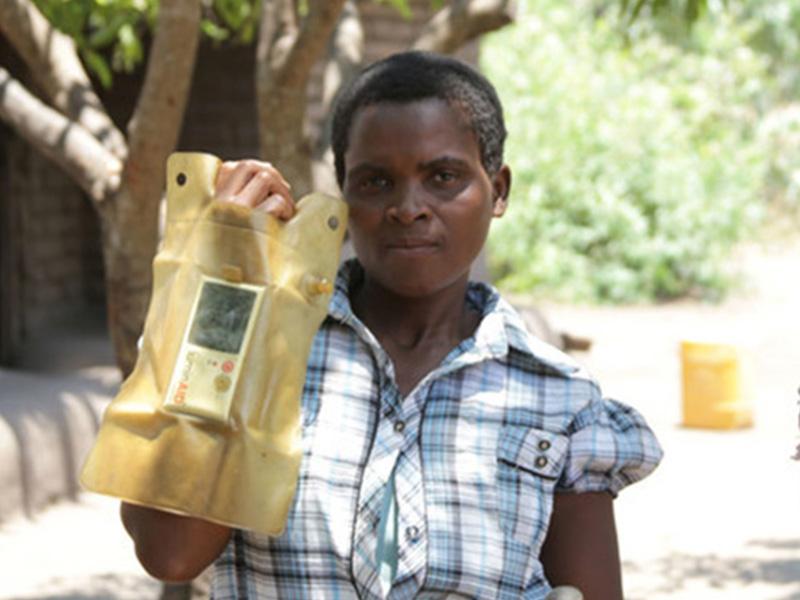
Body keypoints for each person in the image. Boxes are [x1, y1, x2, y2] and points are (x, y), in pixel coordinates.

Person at [121, 51, 662, 599]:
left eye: (443, 177)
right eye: (376, 182)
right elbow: (170, 551)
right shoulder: (270, 345)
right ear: (344, 198)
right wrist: (229, 285)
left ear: (498, 190)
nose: (408, 207)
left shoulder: (556, 398)